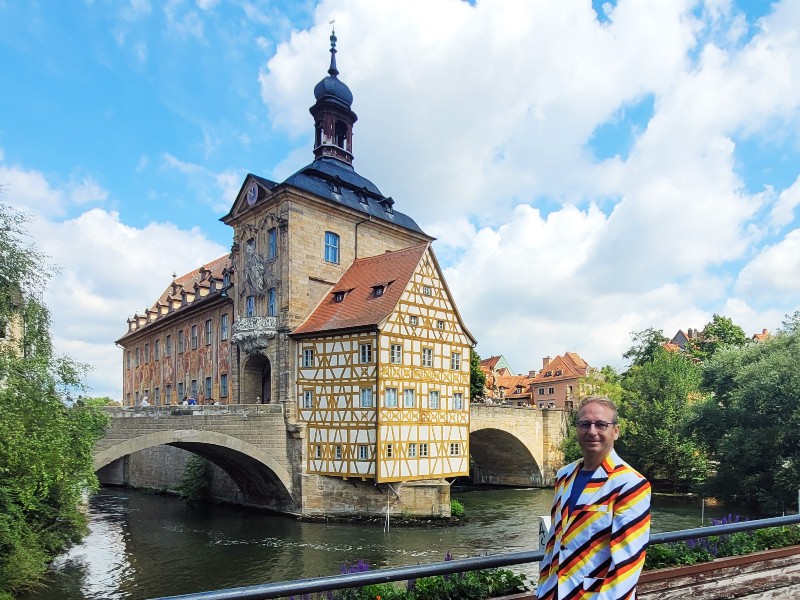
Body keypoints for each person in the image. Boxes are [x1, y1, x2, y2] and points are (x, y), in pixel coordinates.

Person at [538, 396, 651, 600]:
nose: (592, 431)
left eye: (601, 425)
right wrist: (543, 588)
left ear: (615, 431)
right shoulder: (564, 475)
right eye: (585, 424)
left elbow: (628, 562)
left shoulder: (629, 483)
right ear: (577, 430)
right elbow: (554, 541)